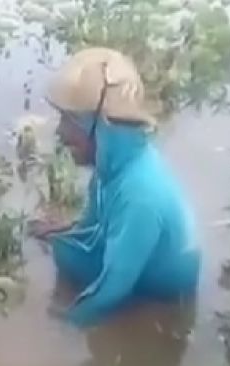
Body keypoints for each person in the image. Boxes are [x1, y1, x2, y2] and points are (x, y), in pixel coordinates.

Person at [29, 47, 201, 328]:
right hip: (138, 264)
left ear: (102, 127)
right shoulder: (114, 165)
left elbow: (112, 290)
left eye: (69, 122)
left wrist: (60, 329)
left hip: (158, 293)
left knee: (70, 299)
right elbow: (94, 222)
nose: (60, 133)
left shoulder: (140, 195)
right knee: (63, 250)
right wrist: (63, 229)